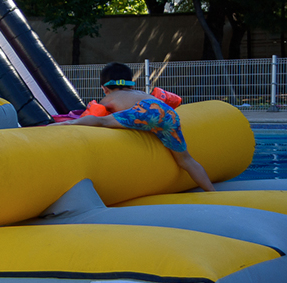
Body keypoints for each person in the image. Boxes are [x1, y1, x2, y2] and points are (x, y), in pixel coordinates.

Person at [61, 62, 216, 192]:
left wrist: (79, 119)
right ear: (130, 83)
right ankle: (211, 191)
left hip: (144, 111)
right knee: (185, 160)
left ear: (104, 88)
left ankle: (68, 124)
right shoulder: (141, 93)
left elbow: (99, 115)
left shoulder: (109, 98)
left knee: (103, 121)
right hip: (167, 113)